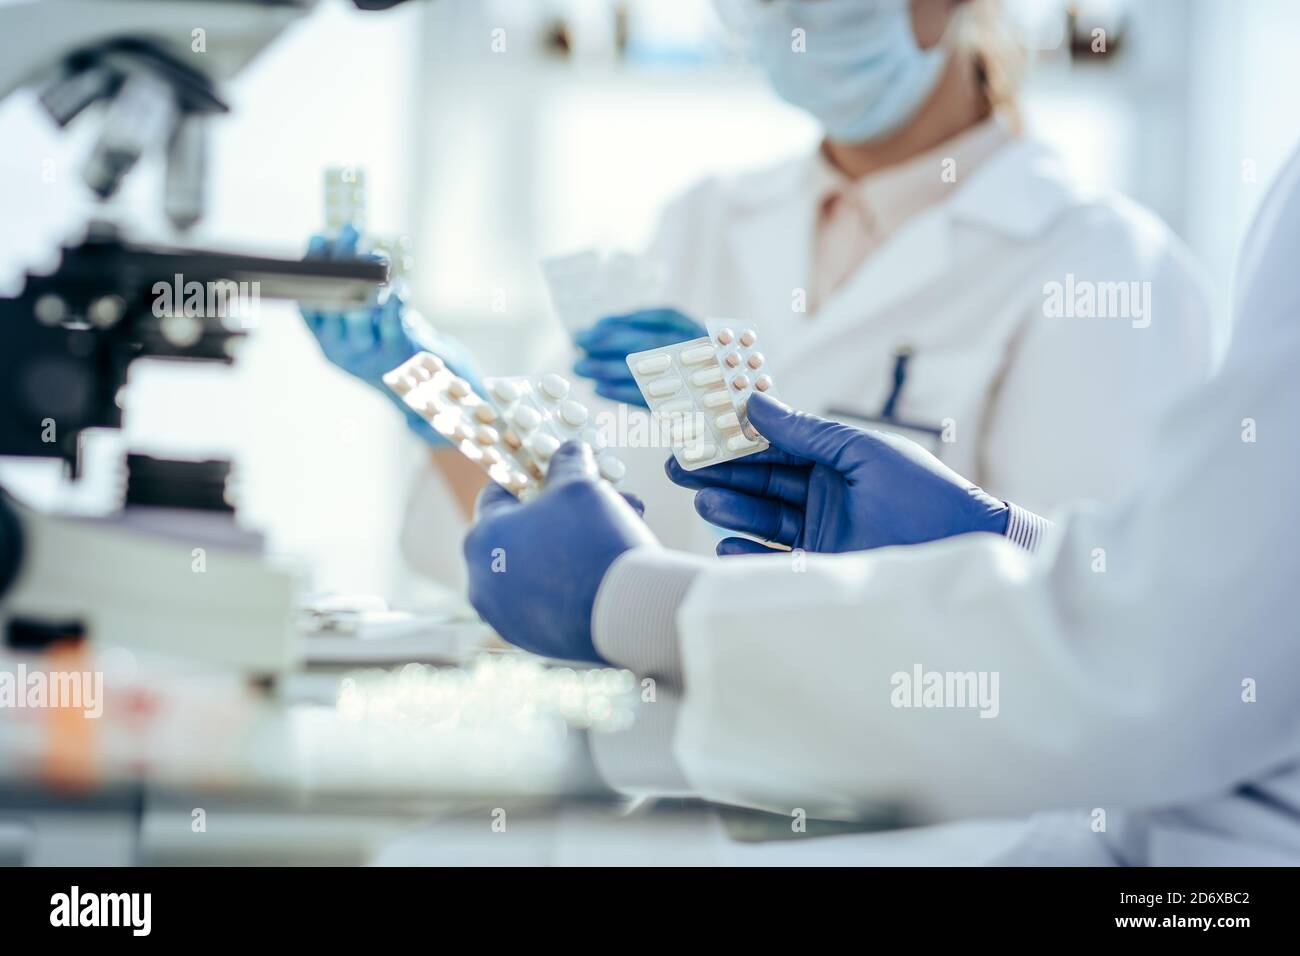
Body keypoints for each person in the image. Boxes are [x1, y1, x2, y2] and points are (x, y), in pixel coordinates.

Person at [460, 140, 1300, 866]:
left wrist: (641, 604)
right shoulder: (705, 211)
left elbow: (1160, 663)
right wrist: (1005, 537)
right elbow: (1207, 591)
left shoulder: (1111, 254)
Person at [568, 0, 1218, 553]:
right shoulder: (700, 220)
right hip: (699, 699)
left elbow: (1096, 607)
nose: (787, 19)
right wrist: (474, 427)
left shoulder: (1107, 265)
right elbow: (597, 505)